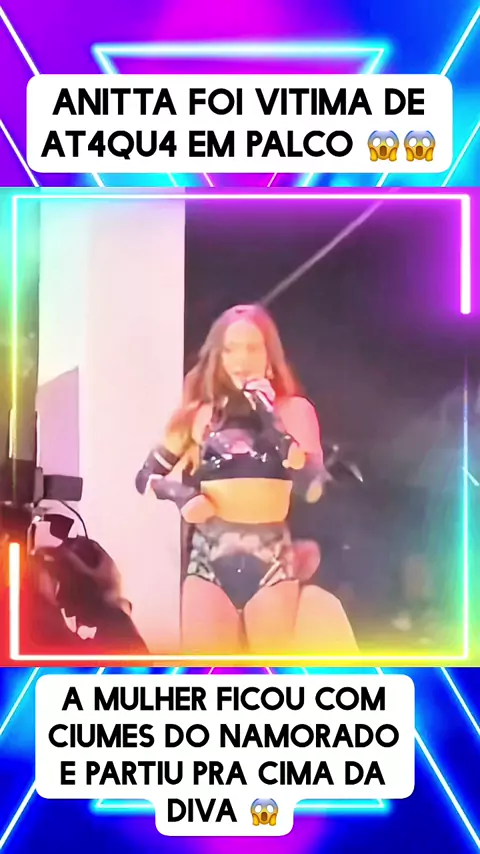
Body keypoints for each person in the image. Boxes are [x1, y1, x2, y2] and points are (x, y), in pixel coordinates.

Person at [136, 304, 358, 655]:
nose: (241, 359)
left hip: (269, 561)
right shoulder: (198, 415)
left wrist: (269, 415)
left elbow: (311, 488)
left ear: (269, 355)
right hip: (208, 561)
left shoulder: (294, 410)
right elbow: (146, 477)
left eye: (252, 348)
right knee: (207, 676)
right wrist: (181, 496)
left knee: (271, 674)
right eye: (230, 349)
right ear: (218, 357)